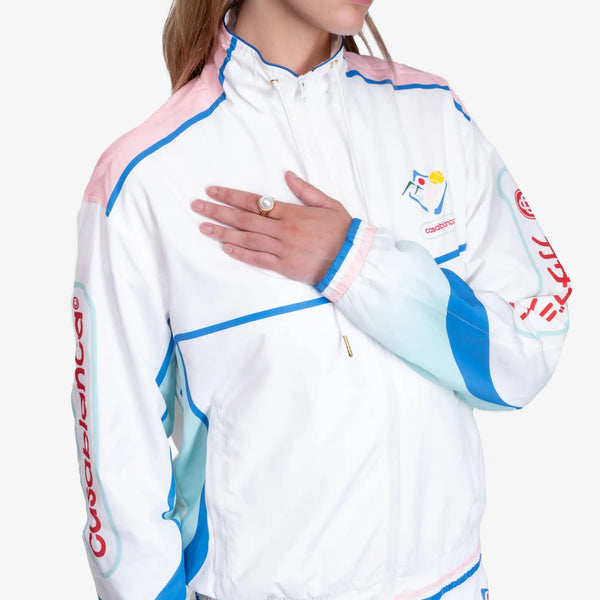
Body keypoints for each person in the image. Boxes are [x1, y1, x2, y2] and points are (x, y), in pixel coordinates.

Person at [70, 0, 571, 599]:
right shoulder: (144, 178)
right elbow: (119, 473)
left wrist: (356, 264)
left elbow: (527, 351)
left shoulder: (433, 115)